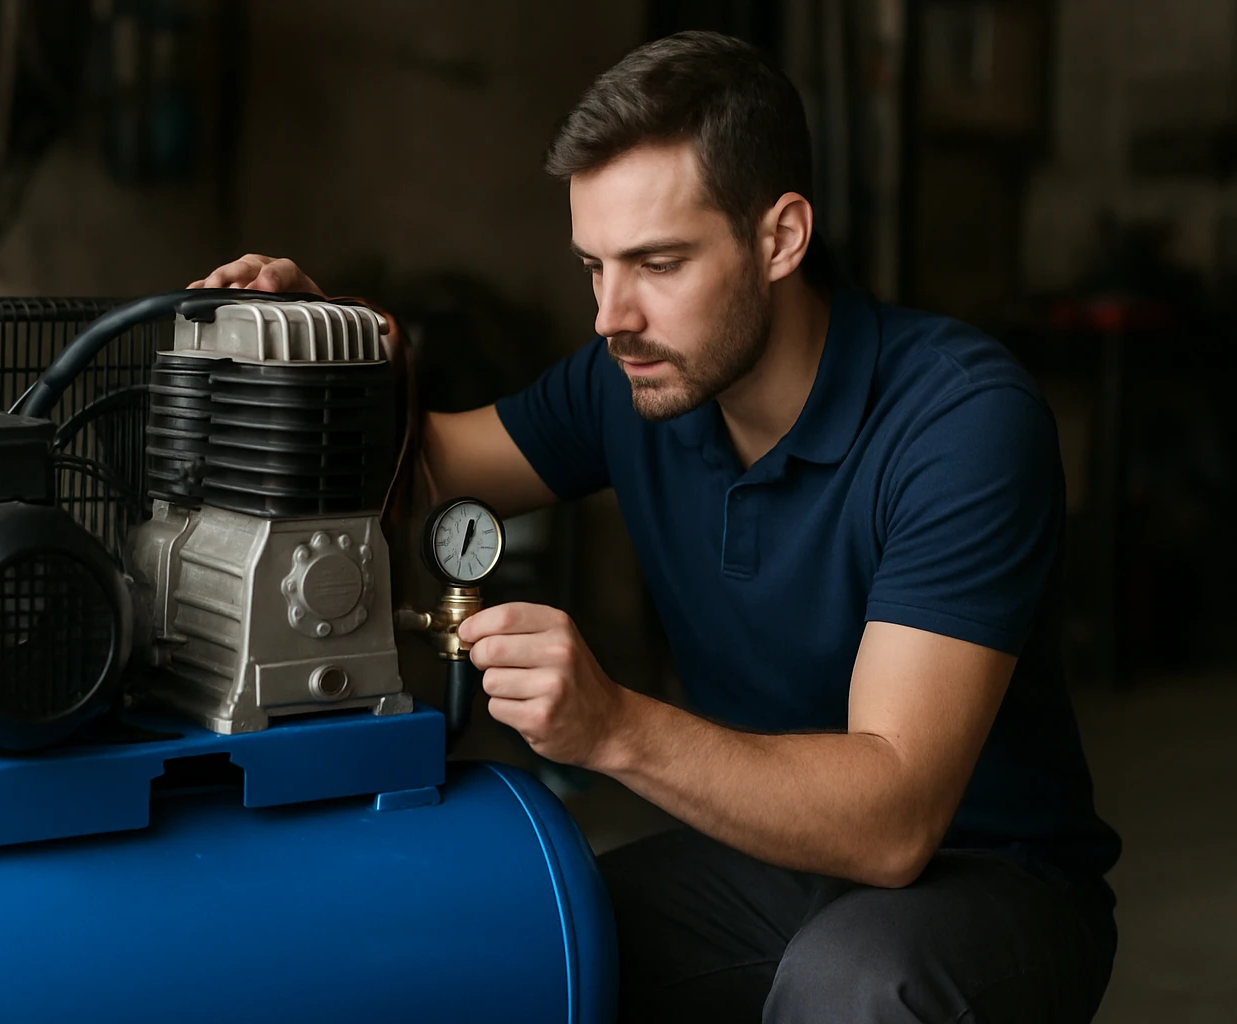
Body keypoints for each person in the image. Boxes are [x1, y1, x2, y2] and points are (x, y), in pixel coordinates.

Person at [189, 30, 1120, 1024]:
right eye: (594, 265)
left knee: (858, 986)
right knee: (518, 943)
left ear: (781, 237)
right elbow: (420, 469)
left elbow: (895, 820)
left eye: (658, 263)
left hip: (987, 877)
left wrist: (613, 725)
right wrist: (314, 346)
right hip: (765, 861)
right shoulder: (631, 377)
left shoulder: (958, 421)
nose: (610, 314)